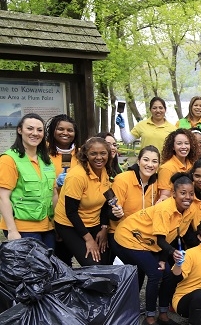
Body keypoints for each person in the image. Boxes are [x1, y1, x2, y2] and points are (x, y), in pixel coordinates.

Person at [112, 173, 195, 325]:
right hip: (128, 237)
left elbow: (172, 237)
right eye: (183, 193)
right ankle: (149, 318)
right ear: (174, 194)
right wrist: (171, 253)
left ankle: (163, 315)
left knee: (168, 274)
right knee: (155, 274)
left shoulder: (189, 210)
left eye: (191, 193)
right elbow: (161, 240)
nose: (188, 197)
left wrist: (164, 259)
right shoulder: (165, 209)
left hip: (151, 243)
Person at [53, 137, 123, 266]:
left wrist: (103, 228)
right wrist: (89, 239)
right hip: (69, 224)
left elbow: (104, 204)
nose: (99, 157)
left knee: (105, 260)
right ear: (85, 155)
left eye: (103, 153)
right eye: (93, 153)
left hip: (94, 221)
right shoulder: (77, 176)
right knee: (93, 262)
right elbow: (71, 212)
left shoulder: (105, 171)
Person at [0, 114, 57, 249]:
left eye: (39, 130)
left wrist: (56, 224)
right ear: (20, 130)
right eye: (30, 129)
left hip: (48, 226)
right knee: (33, 269)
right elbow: (3, 197)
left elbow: (54, 194)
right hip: (22, 228)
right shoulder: (9, 159)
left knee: (48, 267)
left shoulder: (46, 160)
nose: (35, 133)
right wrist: (12, 230)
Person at [109, 145, 161, 277]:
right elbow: (111, 211)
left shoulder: (157, 183)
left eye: (154, 161)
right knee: (142, 269)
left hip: (142, 235)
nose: (150, 164)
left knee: (142, 272)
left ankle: (133, 297)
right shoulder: (123, 179)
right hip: (119, 233)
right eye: (146, 160)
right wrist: (116, 212)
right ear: (138, 161)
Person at [157, 128, 201, 201]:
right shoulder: (166, 168)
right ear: (173, 147)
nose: (183, 147)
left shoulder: (193, 165)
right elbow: (165, 196)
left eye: (186, 143)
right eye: (179, 143)